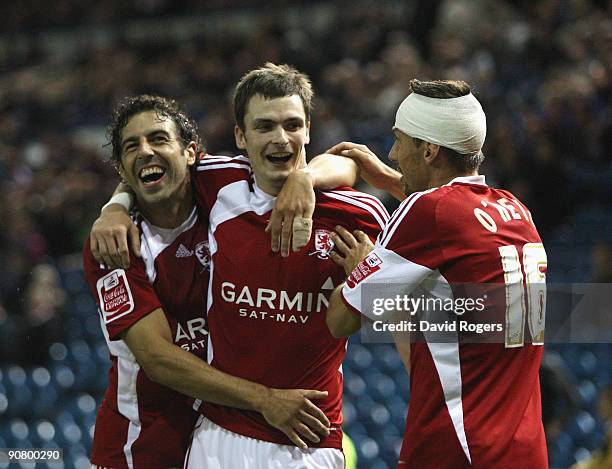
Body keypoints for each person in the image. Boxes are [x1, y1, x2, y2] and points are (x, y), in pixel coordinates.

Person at [90, 64, 388, 468]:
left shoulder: (357, 214)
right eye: (264, 127)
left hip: (297, 438)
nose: (279, 138)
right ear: (240, 137)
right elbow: (157, 359)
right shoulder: (118, 242)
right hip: (156, 441)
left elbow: (347, 161)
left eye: (291, 125)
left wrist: (308, 180)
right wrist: (114, 206)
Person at [325, 79, 549, 468]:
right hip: (525, 451)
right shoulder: (516, 212)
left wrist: (361, 268)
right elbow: (454, 223)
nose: (392, 153)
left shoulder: (429, 212)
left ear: (429, 150)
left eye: (399, 141)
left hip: (458, 452)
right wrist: (391, 181)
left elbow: (338, 320)